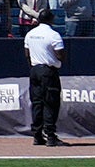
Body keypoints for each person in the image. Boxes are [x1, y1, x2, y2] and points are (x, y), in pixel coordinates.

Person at [21, 11, 66, 145]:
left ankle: (37, 135)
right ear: (51, 20)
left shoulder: (30, 34)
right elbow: (60, 55)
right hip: (48, 71)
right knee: (50, 103)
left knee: (37, 103)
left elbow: (27, 54)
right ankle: (51, 136)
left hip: (35, 70)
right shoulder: (53, 35)